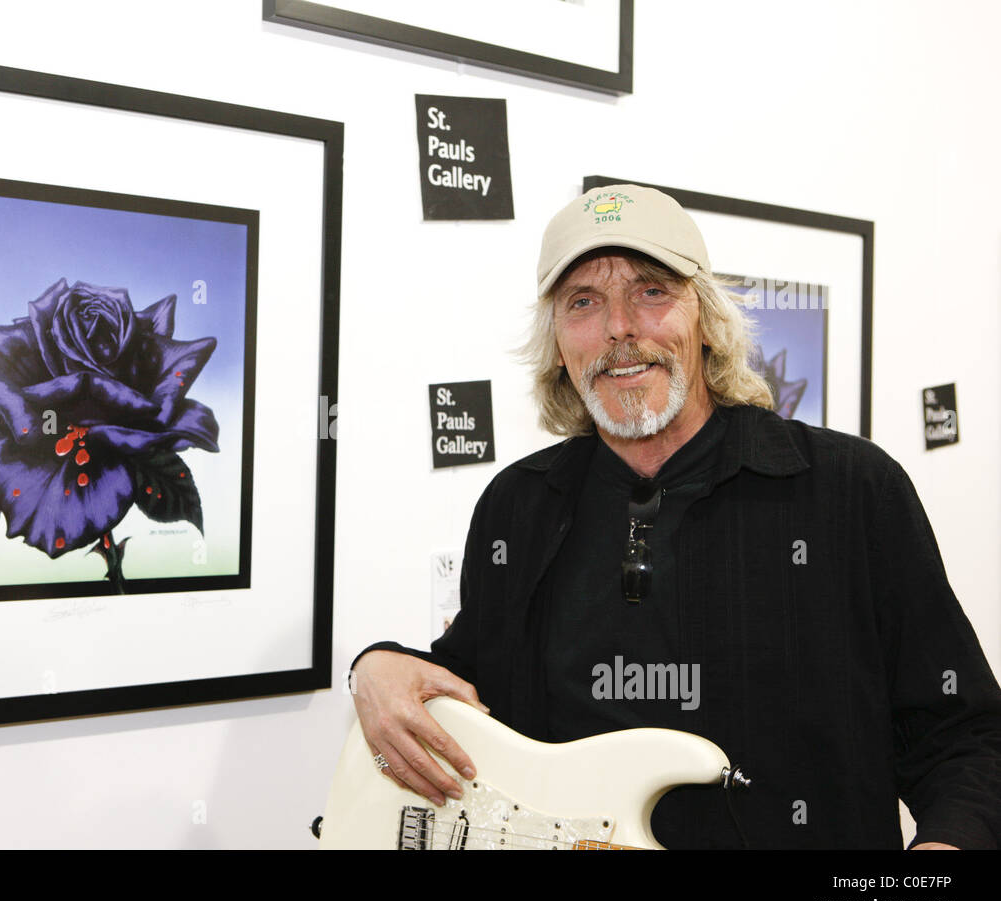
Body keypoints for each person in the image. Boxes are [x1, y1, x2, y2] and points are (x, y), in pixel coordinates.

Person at [350, 184, 1001, 849]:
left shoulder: (851, 490)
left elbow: (964, 738)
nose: (619, 329)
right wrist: (375, 669)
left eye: (651, 292)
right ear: (557, 341)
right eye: (583, 302)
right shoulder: (518, 507)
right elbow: (474, 701)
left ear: (707, 318)